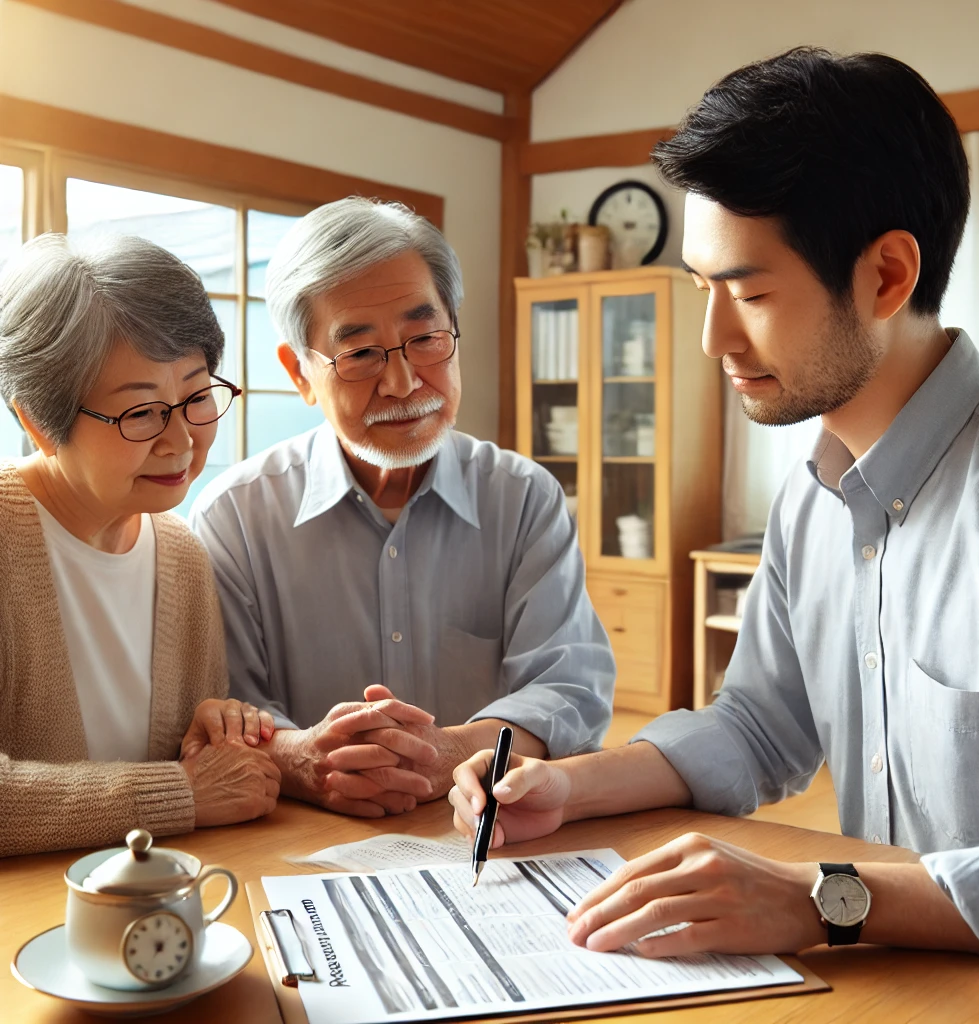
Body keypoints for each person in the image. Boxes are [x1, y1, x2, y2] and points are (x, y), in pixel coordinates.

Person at [449, 47, 979, 969]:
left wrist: (824, 897)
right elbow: (759, 724)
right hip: (897, 982)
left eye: (750, 292)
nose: (713, 337)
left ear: (886, 276)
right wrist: (568, 785)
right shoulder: (814, 499)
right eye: (701, 288)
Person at [189, 198, 614, 819]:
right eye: (360, 354)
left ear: (454, 330)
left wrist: (450, 753)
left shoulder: (523, 498)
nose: (404, 382)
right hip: (300, 840)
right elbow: (223, 711)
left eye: (424, 338)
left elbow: (568, 689)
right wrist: (308, 760)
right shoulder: (235, 518)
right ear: (300, 373)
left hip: (490, 832)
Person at [0, 233, 281, 857]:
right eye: (142, 412)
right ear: (37, 423)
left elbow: (203, 765)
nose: (180, 440)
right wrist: (178, 791)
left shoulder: (181, 554)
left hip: (153, 912)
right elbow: (189, 792)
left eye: (197, 397)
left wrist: (217, 733)